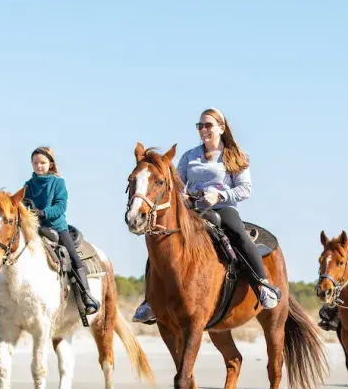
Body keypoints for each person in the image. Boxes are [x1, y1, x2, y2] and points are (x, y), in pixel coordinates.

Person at [132, 108, 280, 324]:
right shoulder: (189, 156)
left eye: (208, 125)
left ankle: (263, 285)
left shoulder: (235, 156)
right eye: (200, 125)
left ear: (221, 128)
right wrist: (184, 198)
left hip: (223, 207)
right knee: (161, 241)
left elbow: (245, 189)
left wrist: (219, 195)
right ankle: (150, 301)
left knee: (237, 232)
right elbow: (177, 184)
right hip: (192, 210)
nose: (203, 129)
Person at [24, 146, 100, 315]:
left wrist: (43, 212)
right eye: (35, 163)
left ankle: (86, 295)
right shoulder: (28, 185)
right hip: (33, 228)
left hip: (56, 227)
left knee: (74, 259)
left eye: (42, 162)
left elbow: (60, 206)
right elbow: (22, 204)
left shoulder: (58, 183)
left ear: (50, 164)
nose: (39, 166)